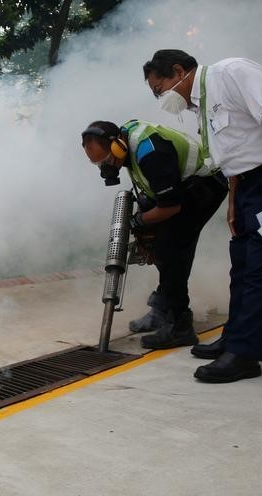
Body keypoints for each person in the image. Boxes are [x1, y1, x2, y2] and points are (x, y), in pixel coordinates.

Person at [143, 49, 262, 383]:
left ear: (178, 71)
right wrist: (233, 205)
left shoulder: (231, 74)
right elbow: (234, 156)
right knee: (241, 261)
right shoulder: (201, 105)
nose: (160, 97)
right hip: (249, 183)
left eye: (159, 88)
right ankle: (235, 337)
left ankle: (245, 354)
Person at [81, 119, 228, 350]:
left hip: (204, 188)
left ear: (118, 145)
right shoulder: (127, 145)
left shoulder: (150, 152)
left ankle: (180, 326)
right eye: (99, 164)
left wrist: (138, 221)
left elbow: (171, 206)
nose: (106, 168)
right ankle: (162, 309)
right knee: (162, 245)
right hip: (183, 186)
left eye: (107, 160)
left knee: (170, 249)